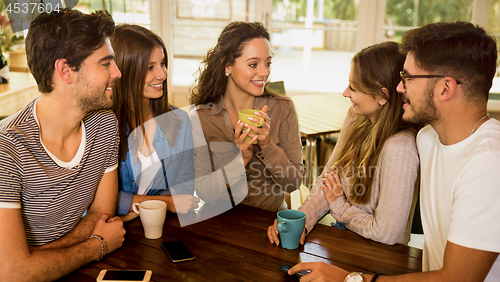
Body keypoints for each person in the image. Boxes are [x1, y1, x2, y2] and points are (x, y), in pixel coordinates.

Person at [289, 22, 500, 282]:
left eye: (408, 77)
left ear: (445, 88)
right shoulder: (428, 138)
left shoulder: (489, 164)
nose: (399, 86)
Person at [0, 9, 126, 282]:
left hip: (67, 280)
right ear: (66, 70)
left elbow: (102, 216)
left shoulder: (103, 124)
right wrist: (96, 245)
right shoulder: (6, 148)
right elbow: (13, 278)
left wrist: (34, 260)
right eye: (106, 63)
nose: (117, 72)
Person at [268, 41, 419, 246]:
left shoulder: (400, 148)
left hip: (377, 258)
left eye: (354, 87)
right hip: (342, 239)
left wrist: (340, 207)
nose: (345, 93)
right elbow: (328, 179)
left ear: (382, 96)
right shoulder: (356, 118)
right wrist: (301, 221)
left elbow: (386, 234)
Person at [189, 21, 304, 212]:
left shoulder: (283, 108)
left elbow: (293, 183)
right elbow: (204, 192)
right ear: (227, 65)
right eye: (253, 64)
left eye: (267, 63)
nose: (264, 72)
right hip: (218, 222)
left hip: (269, 222)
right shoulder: (201, 117)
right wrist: (240, 159)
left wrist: (267, 146)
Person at [111, 24, 199, 221]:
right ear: (124, 69)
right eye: (150, 67)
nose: (162, 74)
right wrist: (165, 202)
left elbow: (184, 190)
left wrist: (133, 206)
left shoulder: (180, 120)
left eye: (163, 63)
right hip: (117, 235)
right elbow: (94, 200)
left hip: (162, 228)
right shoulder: (104, 127)